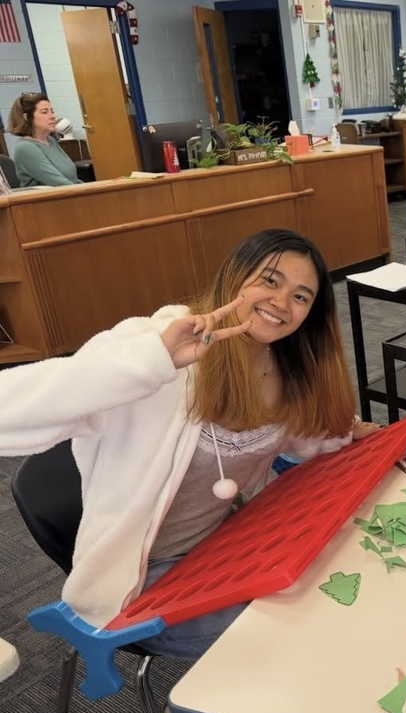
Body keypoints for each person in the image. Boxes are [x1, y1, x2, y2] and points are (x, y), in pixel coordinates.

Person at [0, 228, 377, 662]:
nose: (281, 301)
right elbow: (29, 402)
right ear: (235, 275)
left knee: (332, 584)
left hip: (229, 546)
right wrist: (153, 359)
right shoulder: (158, 340)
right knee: (287, 636)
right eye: (270, 280)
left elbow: (310, 438)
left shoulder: (285, 364)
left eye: (301, 296)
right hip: (142, 582)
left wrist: (351, 434)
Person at [6, 92, 81, 187]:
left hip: (70, 196)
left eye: (52, 111)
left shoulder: (51, 140)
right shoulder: (25, 148)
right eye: (44, 112)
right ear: (27, 117)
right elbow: (58, 183)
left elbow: (72, 179)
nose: (52, 116)